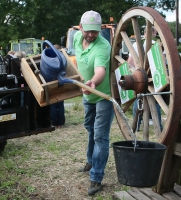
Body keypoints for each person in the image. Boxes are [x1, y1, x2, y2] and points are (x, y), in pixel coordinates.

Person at [73, 10, 115, 196]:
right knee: (89, 127)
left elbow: (100, 70)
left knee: (100, 136)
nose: (90, 35)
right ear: (80, 27)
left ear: (100, 30)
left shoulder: (102, 46)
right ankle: (90, 160)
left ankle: (96, 176)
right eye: (87, 30)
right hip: (88, 94)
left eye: (95, 31)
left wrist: (93, 82)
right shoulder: (75, 38)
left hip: (103, 94)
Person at [127, 26, 163, 131]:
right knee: (156, 102)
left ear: (145, 33)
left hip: (139, 77)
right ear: (154, 33)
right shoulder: (157, 45)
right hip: (154, 77)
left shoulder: (136, 45)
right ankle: (159, 127)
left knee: (138, 102)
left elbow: (130, 62)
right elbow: (163, 61)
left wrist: (134, 74)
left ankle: (136, 126)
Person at [50, 44, 65, 129]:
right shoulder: (62, 58)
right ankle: (60, 123)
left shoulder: (50, 58)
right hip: (61, 82)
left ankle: (55, 124)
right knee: (60, 105)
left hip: (52, 83)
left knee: (53, 105)